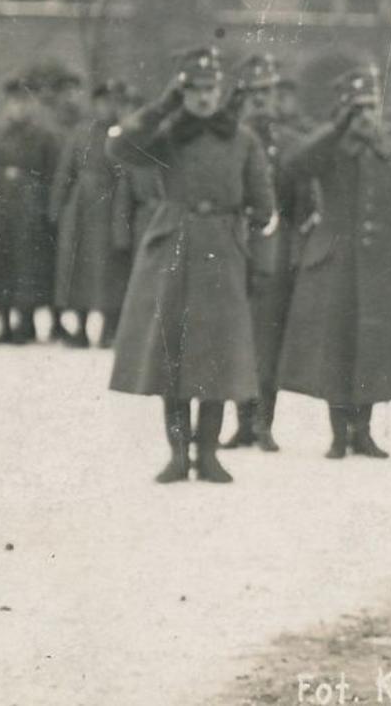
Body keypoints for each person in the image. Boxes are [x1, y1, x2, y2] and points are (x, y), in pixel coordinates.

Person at [106, 46, 276, 484]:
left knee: (217, 355)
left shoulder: (243, 139)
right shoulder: (166, 137)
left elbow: (264, 208)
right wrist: (165, 104)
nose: (203, 98)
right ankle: (179, 454)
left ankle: (209, 453)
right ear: (184, 91)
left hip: (224, 248)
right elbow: (121, 145)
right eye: (194, 89)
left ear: (221, 92)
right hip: (174, 246)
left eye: (210, 89)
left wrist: (259, 262)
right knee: (173, 355)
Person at [277, 66, 391, 460]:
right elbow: (293, 167)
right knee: (336, 344)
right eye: (357, 109)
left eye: (371, 107)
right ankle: (337, 435)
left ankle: (362, 431)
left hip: (380, 262)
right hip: (335, 262)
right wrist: (335, 130)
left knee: (372, 346)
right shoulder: (328, 152)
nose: (366, 116)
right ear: (344, 111)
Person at [222, 53, 311, 452]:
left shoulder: (292, 145)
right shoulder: (227, 141)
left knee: (268, 338)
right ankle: (241, 421)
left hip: (275, 250)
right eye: (253, 93)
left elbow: (305, 205)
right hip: (231, 246)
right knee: (234, 336)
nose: (261, 101)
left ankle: (263, 422)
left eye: (267, 93)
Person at [0, 76, 63, 344]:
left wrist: (48, 207)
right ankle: (4, 324)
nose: (18, 108)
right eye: (13, 103)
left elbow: (54, 174)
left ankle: (26, 323)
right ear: (6, 105)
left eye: (23, 103)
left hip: (30, 207)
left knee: (27, 266)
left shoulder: (44, 135)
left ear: (31, 105)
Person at [49, 79, 136, 349]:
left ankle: (109, 329)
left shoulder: (124, 137)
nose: (106, 107)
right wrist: (57, 207)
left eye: (112, 102)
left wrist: (122, 219)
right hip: (80, 209)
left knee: (110, 269)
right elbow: (65, 171)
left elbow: (127, 177)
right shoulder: (80, 133)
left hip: (110, 208)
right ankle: (81, 326)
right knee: (77, 268)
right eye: (101, 101)